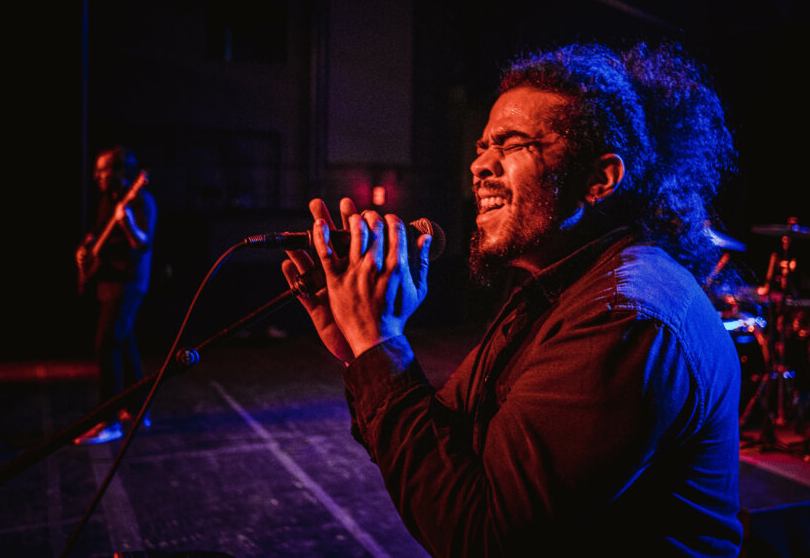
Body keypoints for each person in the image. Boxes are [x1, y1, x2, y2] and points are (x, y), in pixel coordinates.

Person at [282, 41, 743, 556]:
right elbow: (447, 453)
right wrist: (361, 349)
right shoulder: (557, 290)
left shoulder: (626, 319)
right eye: (482, 145)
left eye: (512, 143)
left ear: (599, 180)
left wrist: (379, 345)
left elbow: (483, 539)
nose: (480, 165)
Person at [74, 146, 157, 445]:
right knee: (123, 342)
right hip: (108, 283)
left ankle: (108, 421)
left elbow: (143, 244)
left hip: (129, 284)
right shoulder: (107, 201)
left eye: (103, 170)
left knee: (106, 345)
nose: (96, 176)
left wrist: (128, 222)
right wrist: (84, 250)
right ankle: (137, 408)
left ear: (122, 173)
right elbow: (96, 234)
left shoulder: (142, 200)